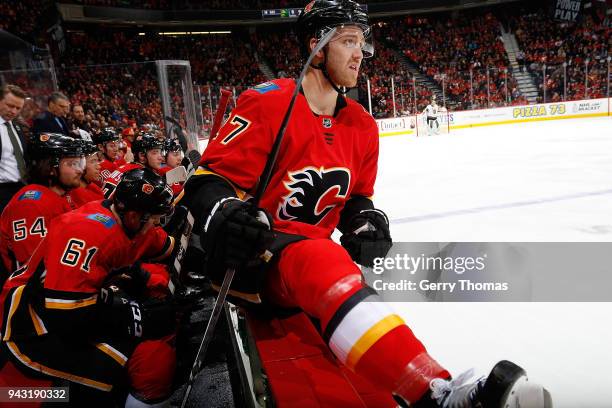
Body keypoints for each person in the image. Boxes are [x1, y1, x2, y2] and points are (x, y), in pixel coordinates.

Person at [181, 1, 549, 407]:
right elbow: (205, 181)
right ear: (316, 49)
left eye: (363, 42)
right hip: (250, 263)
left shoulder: (361, 124)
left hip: (308, 273)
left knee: (342, 286)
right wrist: (226, 214)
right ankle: (435, 393)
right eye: (349, 41)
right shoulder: (268, 102)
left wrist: (366, 221)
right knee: (323, 258)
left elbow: (356, 197)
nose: (361, 53)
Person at [0, 168, 178, 407]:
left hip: (69, 302)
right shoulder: (84, 232)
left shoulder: (126, 220)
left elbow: (166, 247)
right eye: (154, 219)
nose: (155, 226)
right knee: (151, 363)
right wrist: (134, 316)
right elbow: (68, 317)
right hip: (33, 324)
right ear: (135, 216)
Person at [0, 133, 85, 284]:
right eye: (72, 164)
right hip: (28, 296)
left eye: (80, 163)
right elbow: (34, 269)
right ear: (50, 168)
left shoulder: (62, 195)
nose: (80, 170)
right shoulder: (31, 204)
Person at [0, 84, 28, 213]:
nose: (14, 111)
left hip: (21, 188)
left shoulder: (17, 126)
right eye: (10, 106)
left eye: (18, 108)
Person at [71, 139, 104, 207]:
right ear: (78, 165)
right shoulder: (78, 194)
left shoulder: (92, 187)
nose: (98, 167)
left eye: (97, 161)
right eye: (92, 161)